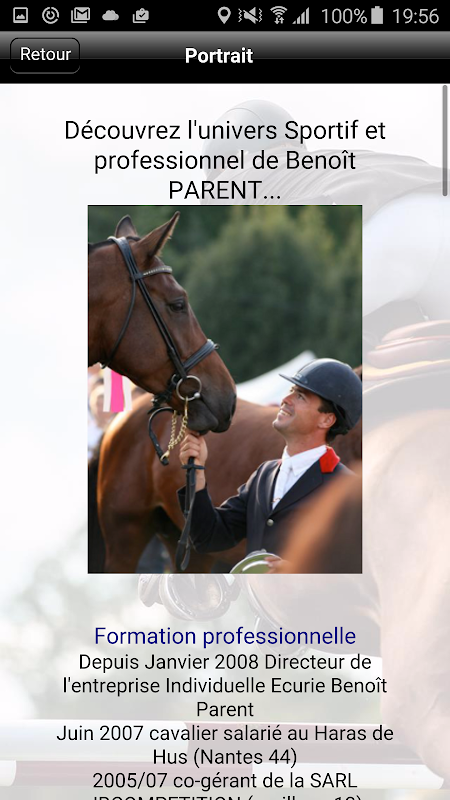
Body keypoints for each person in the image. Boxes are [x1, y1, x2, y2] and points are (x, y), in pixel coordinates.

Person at [178, 358, 362, 571]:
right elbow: (209, 538)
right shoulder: (264, 474)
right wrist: (197, 474)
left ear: (326, 420)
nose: (285, 399)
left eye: (300, 396)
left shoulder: (346, 489)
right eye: (292, 390)